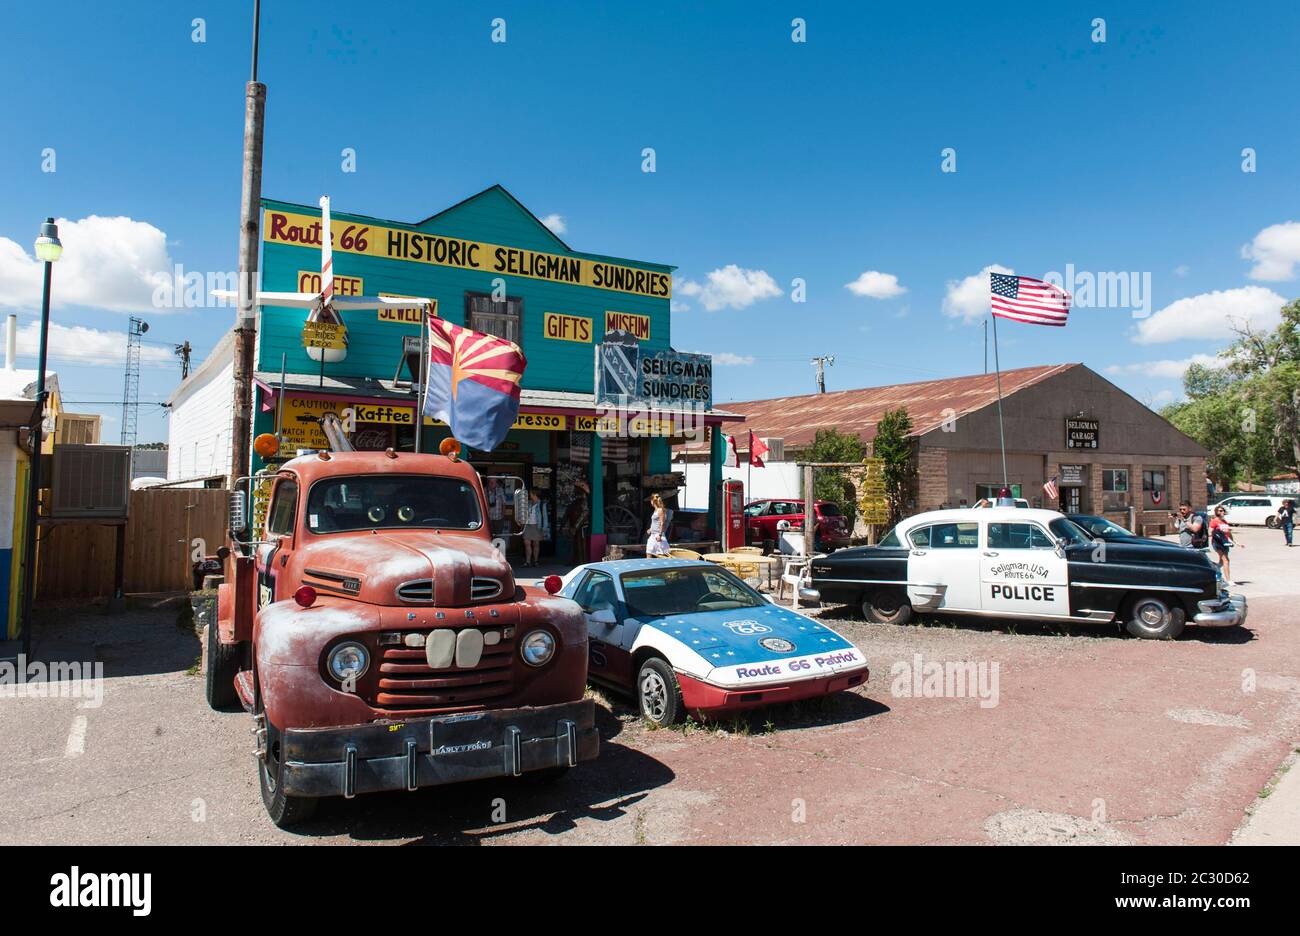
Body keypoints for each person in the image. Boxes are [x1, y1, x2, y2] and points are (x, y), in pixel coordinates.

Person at [1209, 504, 1242, 586]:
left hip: (1225, 542)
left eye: (1223, 510)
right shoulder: (1214, 521)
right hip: (1217, 542)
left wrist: (1236, 542)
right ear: (1216, 512)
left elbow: (1229, 533)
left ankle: (1213, 569)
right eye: (1220, 511)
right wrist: (1220, 530)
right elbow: (1210, 532)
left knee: (1221, 561)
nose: (1222, 512)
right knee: (1226, 560)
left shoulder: (1224, 521)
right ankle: (1228, 580)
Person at [562, 478, 591, 565]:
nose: (574, 490)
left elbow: (585, 513)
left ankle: (582, 561)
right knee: (574, 544)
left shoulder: (583, 500)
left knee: (581, 544)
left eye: (576, 489)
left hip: (581, 526)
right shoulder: (575, 501)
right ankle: (574, 560)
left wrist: (576, 526)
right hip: (574, 525)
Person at [521, 490, 549, 567]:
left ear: (534, 494)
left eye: (531, 494)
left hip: (537, 525)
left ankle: (536, 561)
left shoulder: (542, 504)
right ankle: (528, 561)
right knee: (527, 543)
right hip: (528, 525)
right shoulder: (528, 503)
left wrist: (544, 528)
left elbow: (545, 517)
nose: (530, 495)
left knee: (536, 544)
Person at [646, 493, 670, 557]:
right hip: (653, 535)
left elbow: (662, 523)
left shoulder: (660, 510)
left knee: (663, 554)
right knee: (649, 552)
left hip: (658, 535)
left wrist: (660, 535)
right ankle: (649, 566)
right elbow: (655, 522)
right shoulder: (655, 510)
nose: (650, 502)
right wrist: (650, 529)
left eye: (651, 500)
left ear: (653, 501)